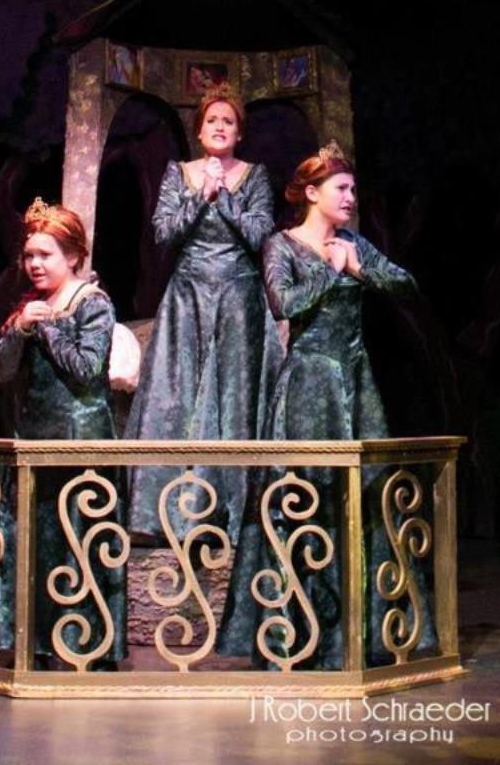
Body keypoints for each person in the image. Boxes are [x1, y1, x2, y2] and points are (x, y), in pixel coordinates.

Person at [219, 141, 434, 668]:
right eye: (342, 188)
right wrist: (326, 271)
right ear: (312, 193)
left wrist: (358, 269)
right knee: (304, 497)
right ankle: (296, 634)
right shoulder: (282, 244)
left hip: (356, 384)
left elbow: (407, 286)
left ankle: (361, 635)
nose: (351, 197)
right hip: (308, 386)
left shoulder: (353, 243)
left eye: (353, 189)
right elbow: (283, 303)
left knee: (366, 496)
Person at [126, 83, 283, 546]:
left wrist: (225, 197)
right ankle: (166, 515)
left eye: (228, 121)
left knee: (234, 399)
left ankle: (234, 513)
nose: (219, 127)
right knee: (178, 396)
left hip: (238, 299)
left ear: (239, 133)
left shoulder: (255, 175)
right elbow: (163, 233)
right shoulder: (179, 173)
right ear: (199, 130)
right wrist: (201, 195)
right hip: (188, 298)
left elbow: (261, 235)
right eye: (212, 120)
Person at [0, 198, 126, 669]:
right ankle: (35, 642)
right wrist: (19, 332)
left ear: (72, 256)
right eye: (29, 255)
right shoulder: (30, 308)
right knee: (36, 543)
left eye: (45, 255)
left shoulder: (93, 303)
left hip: (80, 442)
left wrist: (47, 330)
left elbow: (87, 370)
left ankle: (84, 644)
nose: (34, 264)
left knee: (77, 542)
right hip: (35, 441)